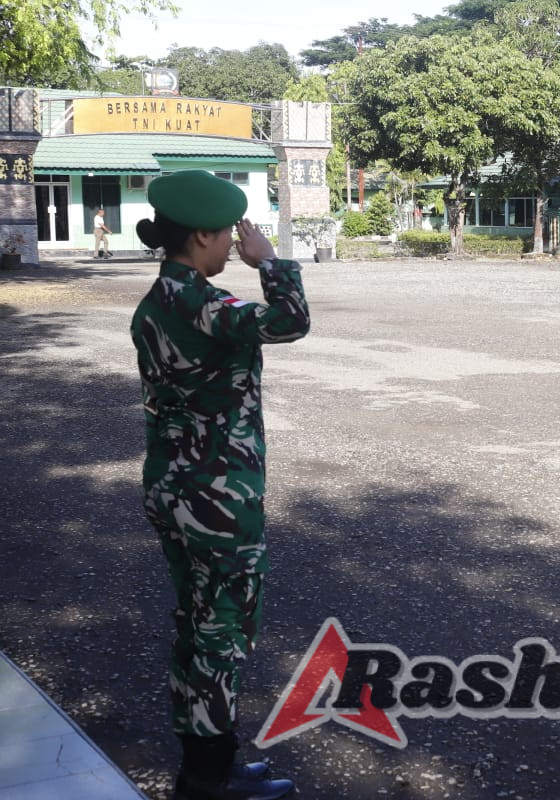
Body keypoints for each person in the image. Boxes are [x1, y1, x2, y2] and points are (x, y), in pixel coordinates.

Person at [130, 170, 310, 799]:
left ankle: (209, 762)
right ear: (200, 235)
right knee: (223, 632)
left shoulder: (157, 300)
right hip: (217, 496)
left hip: (171, 485)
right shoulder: (207, 304)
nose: (236, 244)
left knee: (197, 624)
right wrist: (272, 262)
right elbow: (289, 322)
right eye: (229, 235)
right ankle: (209, 780)